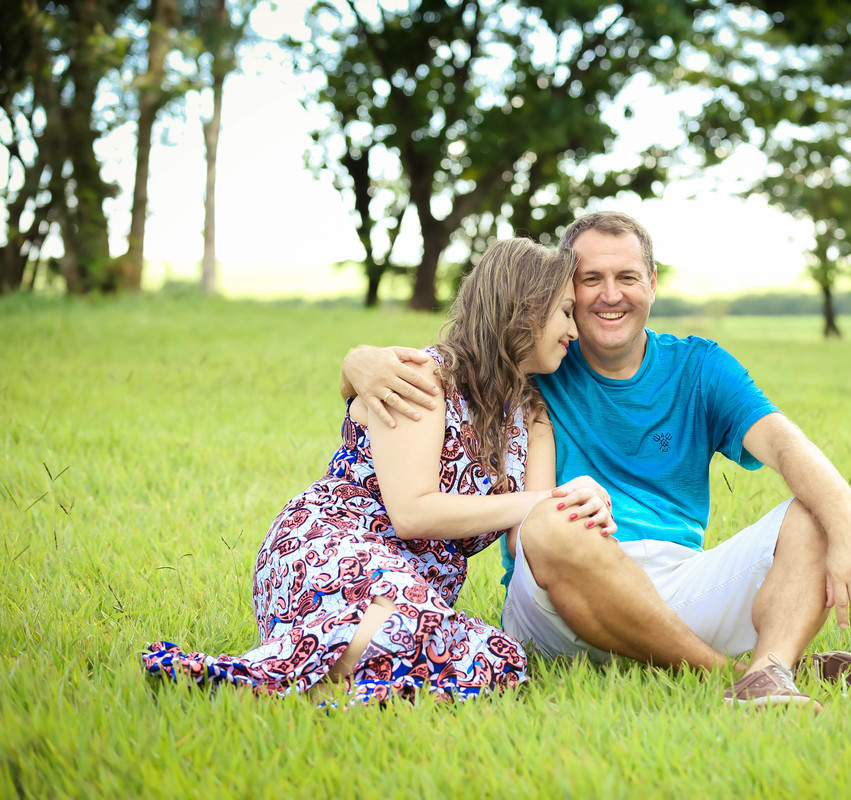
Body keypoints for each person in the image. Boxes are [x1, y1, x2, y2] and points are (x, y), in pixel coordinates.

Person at [342, 212, 851, 712]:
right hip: (557, 595)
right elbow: (459, 366)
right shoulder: (540, 365)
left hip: (678, 583)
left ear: (651, 283)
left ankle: (769, 674)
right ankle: (724, 673)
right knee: (551, 523)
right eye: (590, 280)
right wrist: (359, 363)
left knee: (816, 509)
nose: (610, 295)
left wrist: (847, 527)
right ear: (560, 292)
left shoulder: (699, 368)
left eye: (627, 277)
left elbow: (788, 446)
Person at [143, 238, 617, 706]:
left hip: (415, 587)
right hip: (331, 545)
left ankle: (303, 693)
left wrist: (577, 507)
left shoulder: (533, 418)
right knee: (404, 625)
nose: (574, 330)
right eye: (565, 312)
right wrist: (543, 500)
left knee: (498, 658)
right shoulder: (421, 378)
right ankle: (246, 682)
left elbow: (521, 538)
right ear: (524, 309)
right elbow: (412, 513)